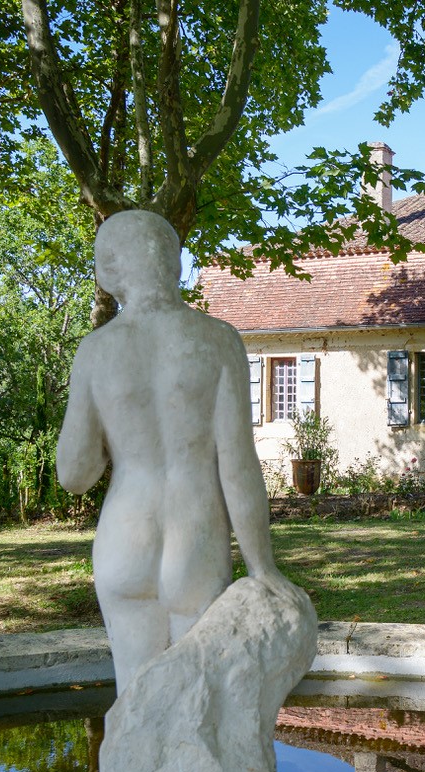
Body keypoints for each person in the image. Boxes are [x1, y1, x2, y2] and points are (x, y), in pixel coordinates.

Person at [57, 209, 283, 693]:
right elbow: (239, 465)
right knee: (199, 701)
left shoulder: (96, 351)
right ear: (174, 264)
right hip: (196, 537)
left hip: (125, 539)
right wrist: (262, 567)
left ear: (109, 272)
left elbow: (75, 473)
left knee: (134, 700)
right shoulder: (218, 341)